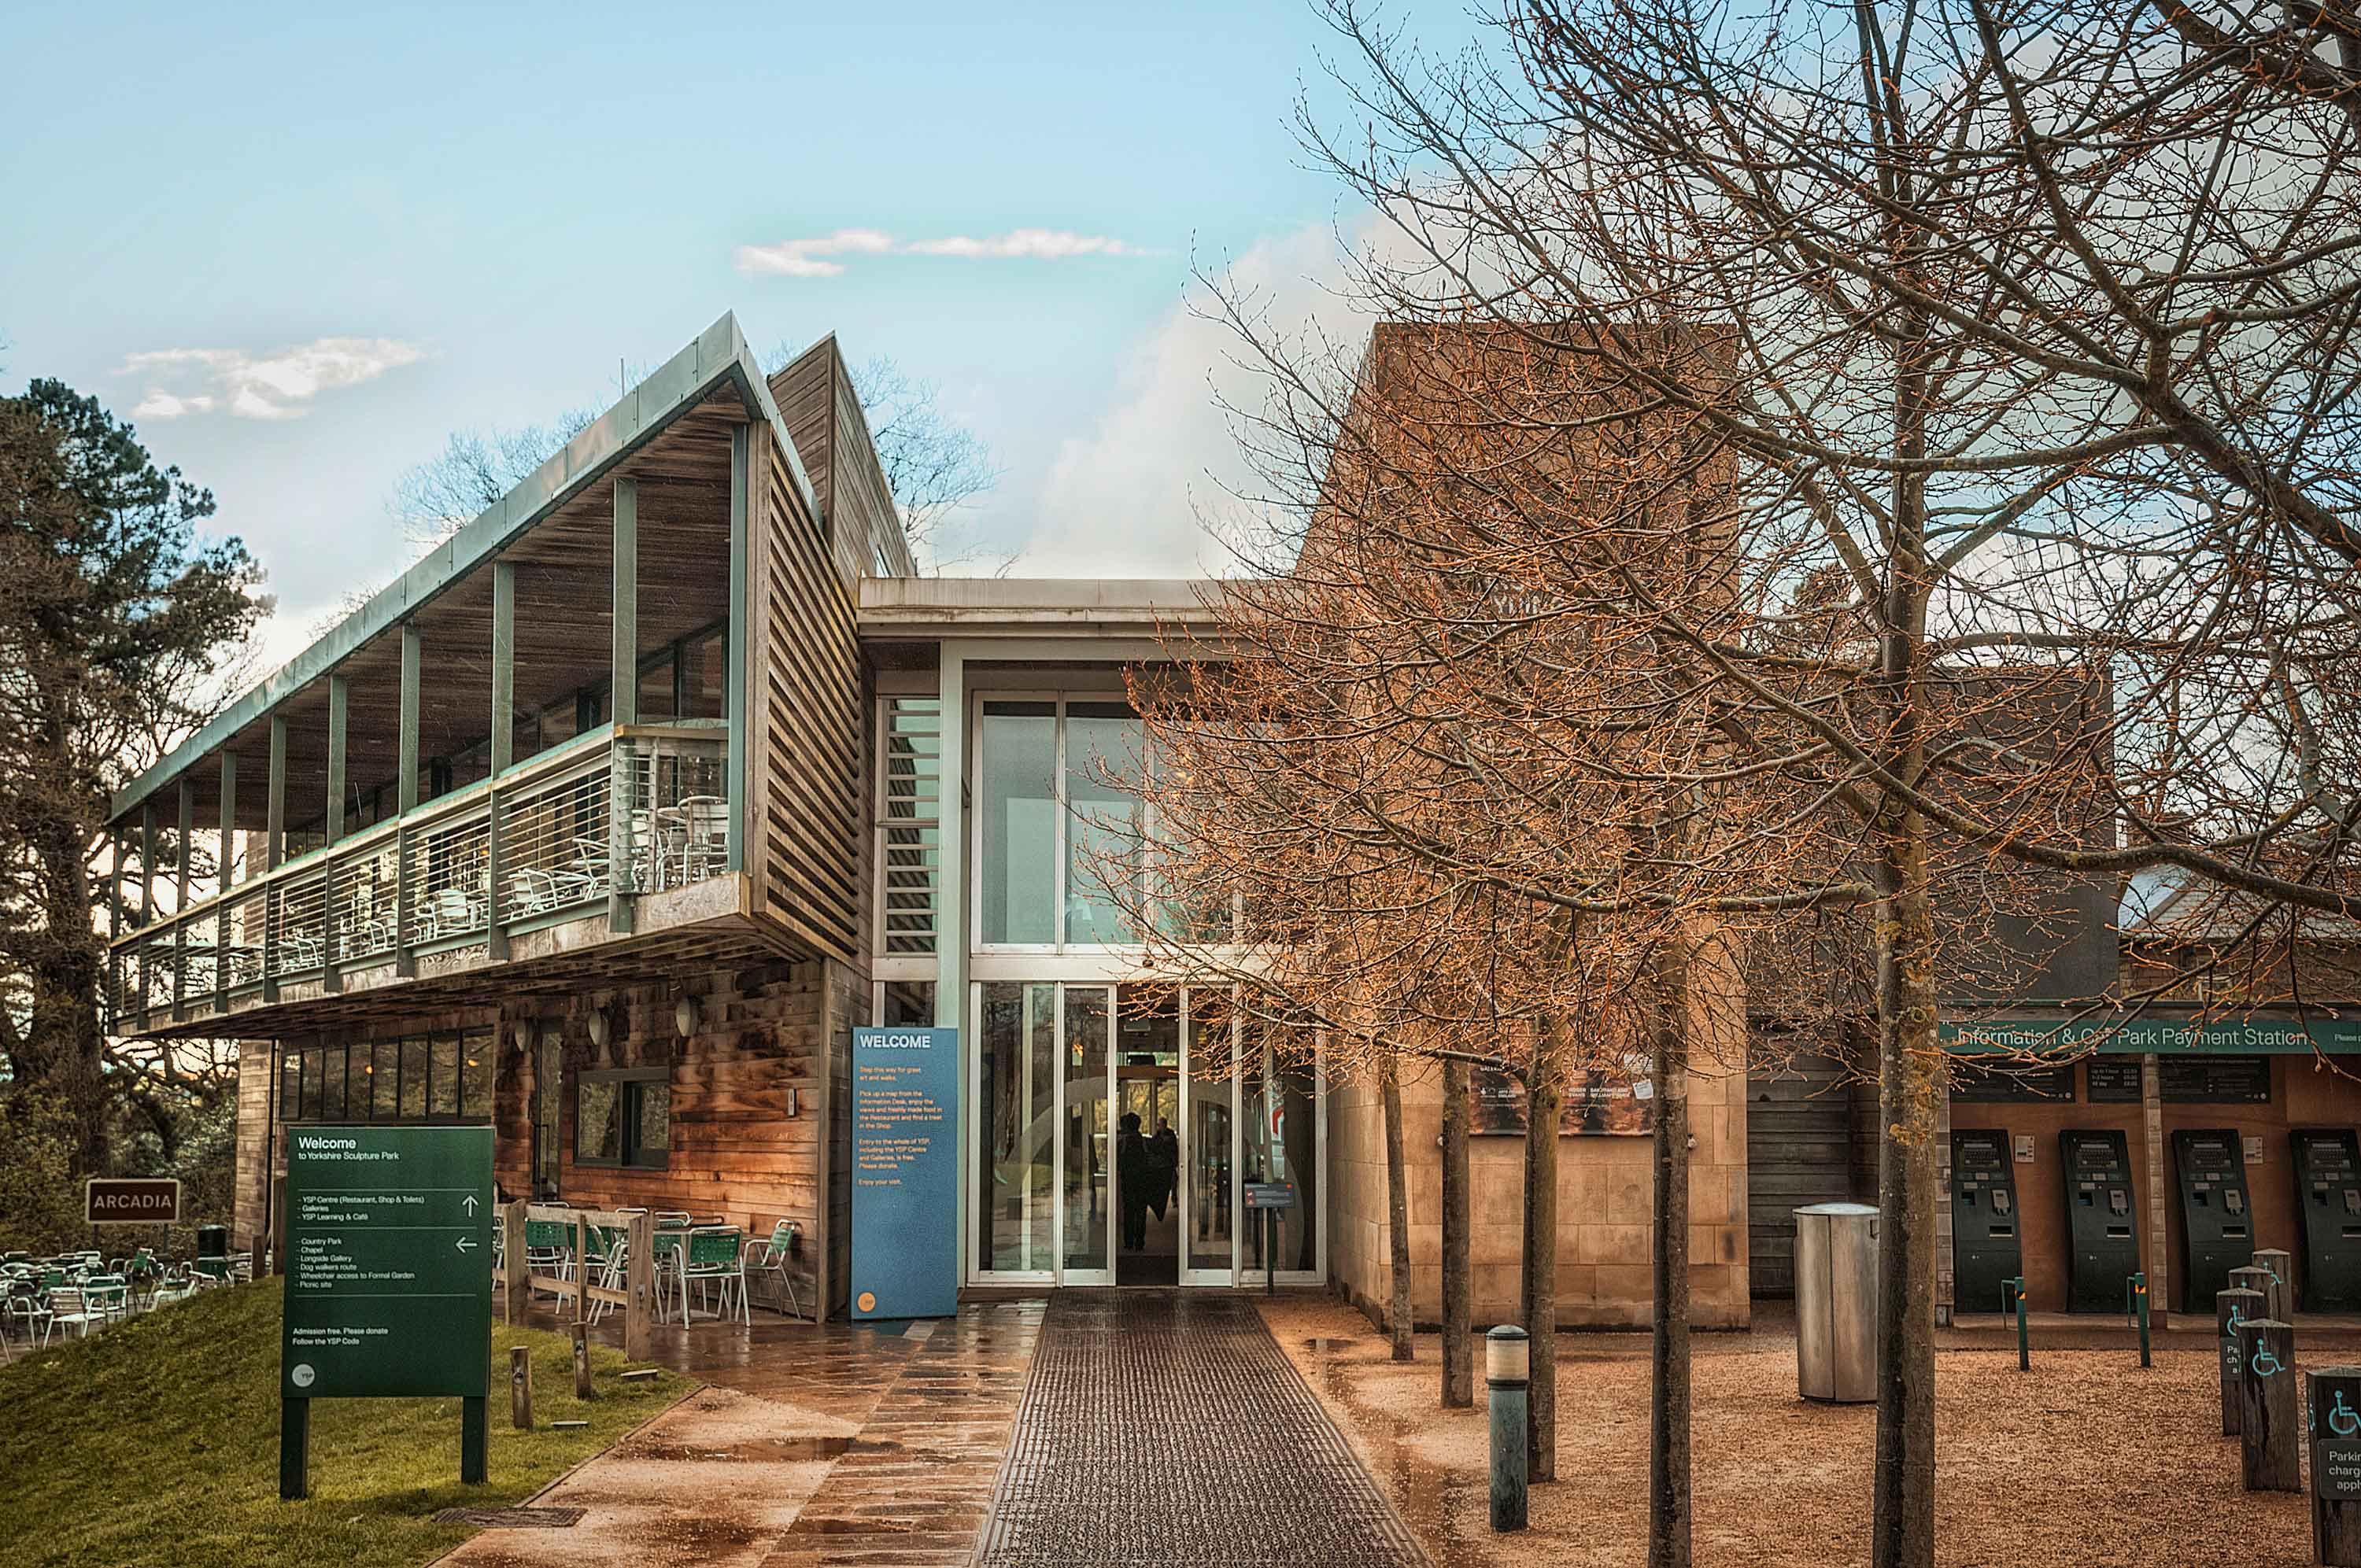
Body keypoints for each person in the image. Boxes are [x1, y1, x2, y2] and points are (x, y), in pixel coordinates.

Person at [1116, 1112, 1151, 1252]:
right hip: (1143, 1181)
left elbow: (1118, 1162)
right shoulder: (1144, 1141)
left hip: (1128, 1181)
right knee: (1141, 1211)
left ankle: (1129, 1241)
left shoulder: (1122, 1142)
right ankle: (1140, 1242)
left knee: (1129, 1211)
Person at [1147, 1118, 1180, 1223]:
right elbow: (1153, 1146)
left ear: (1164, 1125)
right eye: (1158, 1125)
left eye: (1160, 1124)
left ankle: (1174, 1199)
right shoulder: (1157, 1135)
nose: (1159, 1126)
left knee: (1173, 1181)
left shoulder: (1170, 1135)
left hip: (1168, 1163)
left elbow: (1174, 1148)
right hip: (1160, 1164)